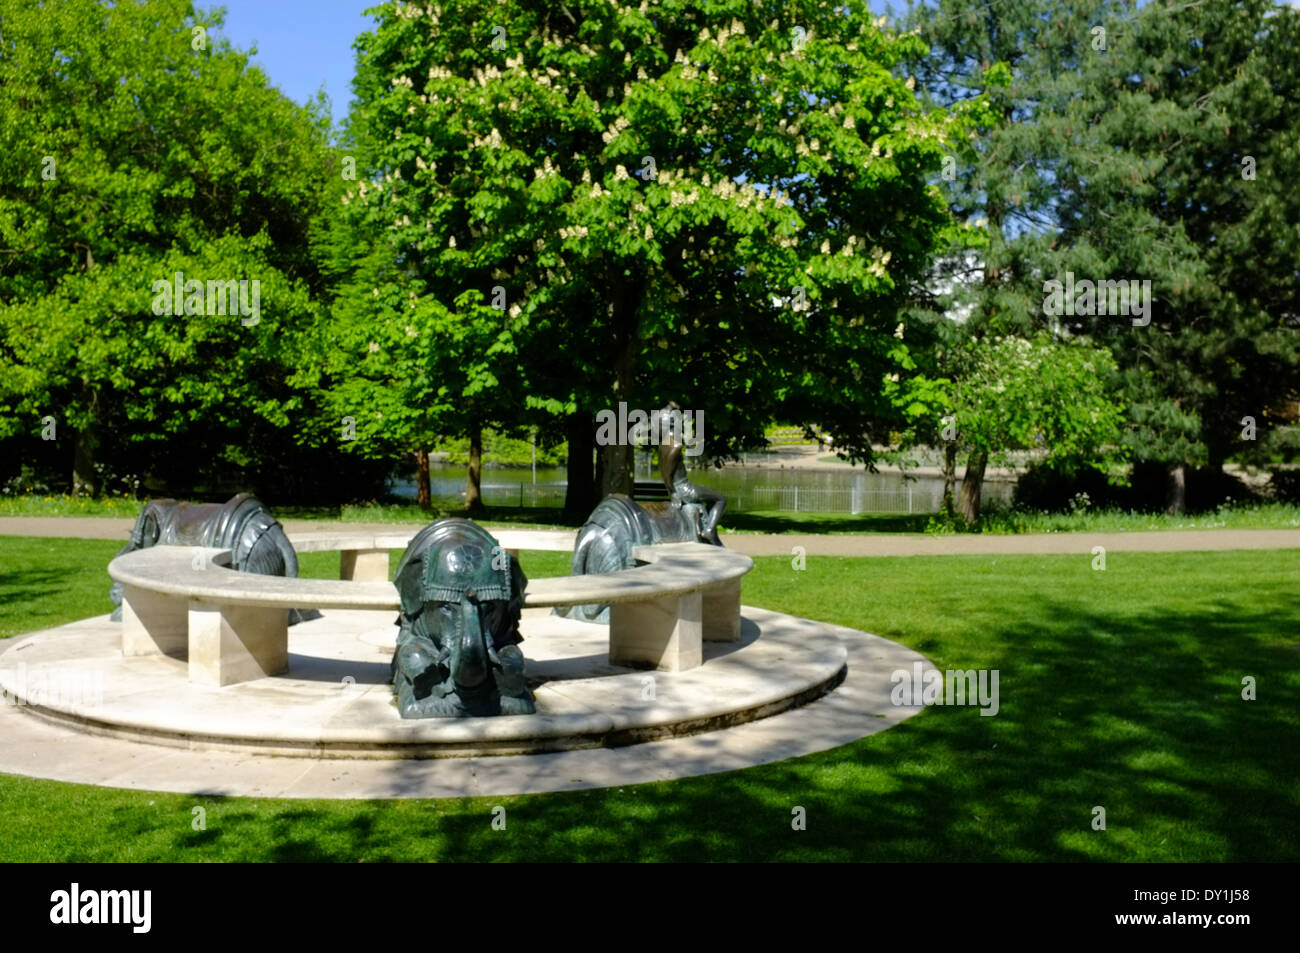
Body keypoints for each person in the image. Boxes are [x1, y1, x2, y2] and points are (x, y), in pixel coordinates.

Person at [656, 402, 725, 545]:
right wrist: (674, 493)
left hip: (676, 489)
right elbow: (667, 472)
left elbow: (663, 471)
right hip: (684, 490)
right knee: (720, 500)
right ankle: (709, 530)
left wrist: (670, 491)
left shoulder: (663, 444)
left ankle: (704, 527)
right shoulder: (676, 445)